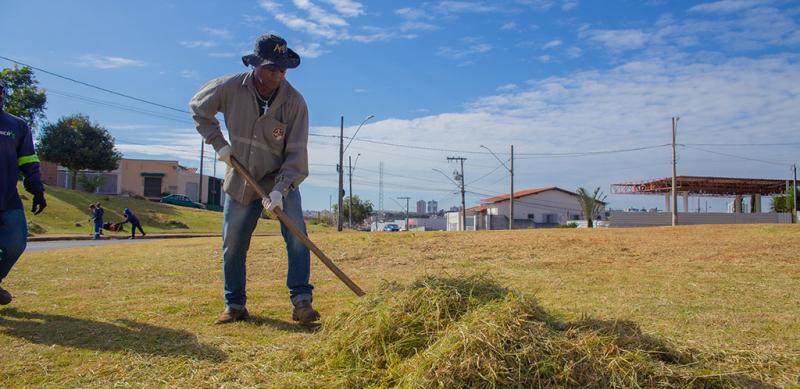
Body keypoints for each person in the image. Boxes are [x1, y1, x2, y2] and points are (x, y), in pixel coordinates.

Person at [190, 34, 319, 325]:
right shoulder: (229, 88)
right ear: (255, 65)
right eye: (271, 68)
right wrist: (219, 144)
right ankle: (234, 304)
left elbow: (296, 155)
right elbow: (199, 108)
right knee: (233, 243)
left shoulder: (295, 102)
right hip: (241, 177)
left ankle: (302, 302)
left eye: (283, 69)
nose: (278, 75)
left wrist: (280, 191)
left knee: (298, 238)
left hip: (279, 180)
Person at [0, 78, 47, 305]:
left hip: (7, 197)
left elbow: (28, 160)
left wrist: (37, 189)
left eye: (1, 91)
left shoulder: (17, 125)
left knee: (16, 243)